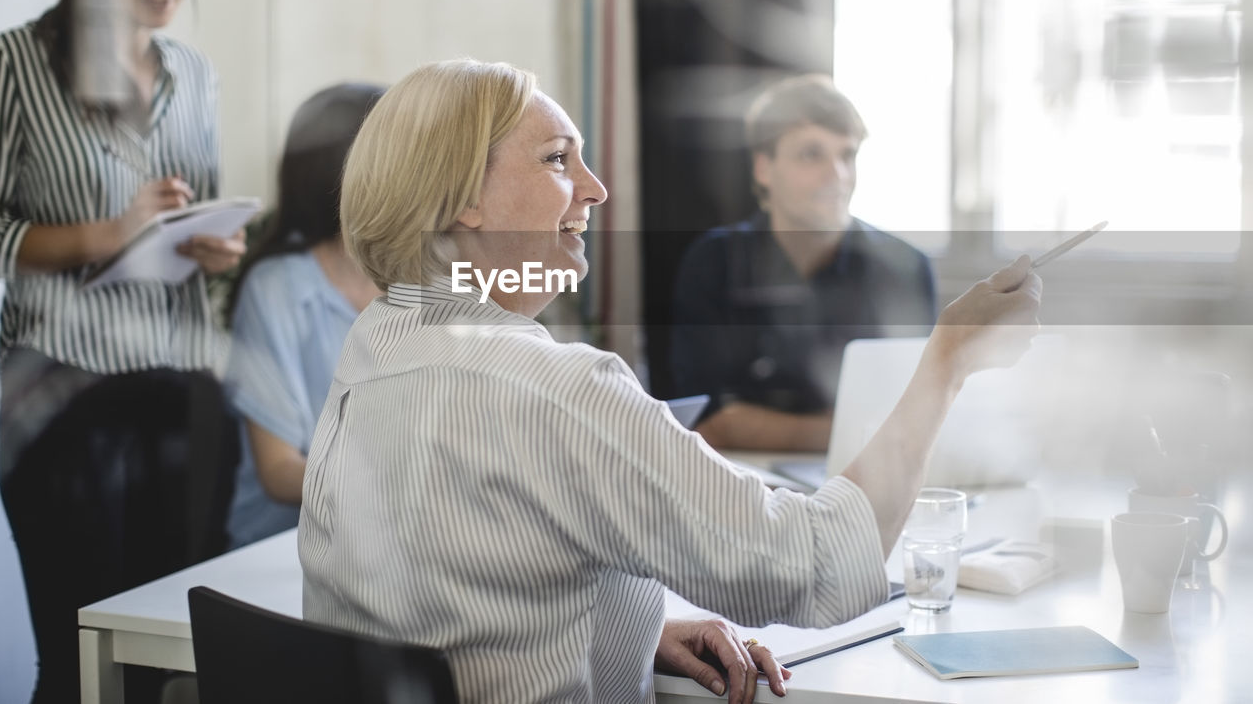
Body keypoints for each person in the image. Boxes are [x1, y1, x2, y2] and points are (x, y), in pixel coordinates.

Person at [298, 59, 1042, 703]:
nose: (595, 190)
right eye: (558, 159)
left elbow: (449, 582)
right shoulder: (561, 388)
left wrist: (635, 626)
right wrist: (947, 361)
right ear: (463, 193)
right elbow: (817, 566)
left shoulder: (375, 344)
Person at [0, 0, 243, 701]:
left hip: (180, 391)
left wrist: (214, 246)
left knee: (173, 658)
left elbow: (189, 216)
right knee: (81, 655)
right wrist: (107, 232)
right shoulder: (11, 65)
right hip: (58, 399)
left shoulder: (194, 75)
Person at [671, 74, 937, 452]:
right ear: (764, 168)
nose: (838, 176)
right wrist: (851, 431)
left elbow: (916, 418)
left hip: (864, 481)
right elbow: (706, 422)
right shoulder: (714, 263)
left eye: (847, 155)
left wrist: (754, 425)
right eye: (812, 154)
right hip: (740, 486)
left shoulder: (905, 268)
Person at [223, 83, 383, 548]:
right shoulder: (278, 288)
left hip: (384, 548)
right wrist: (393, 496)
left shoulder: (422, 281)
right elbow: (278, 471)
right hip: (281, 550)